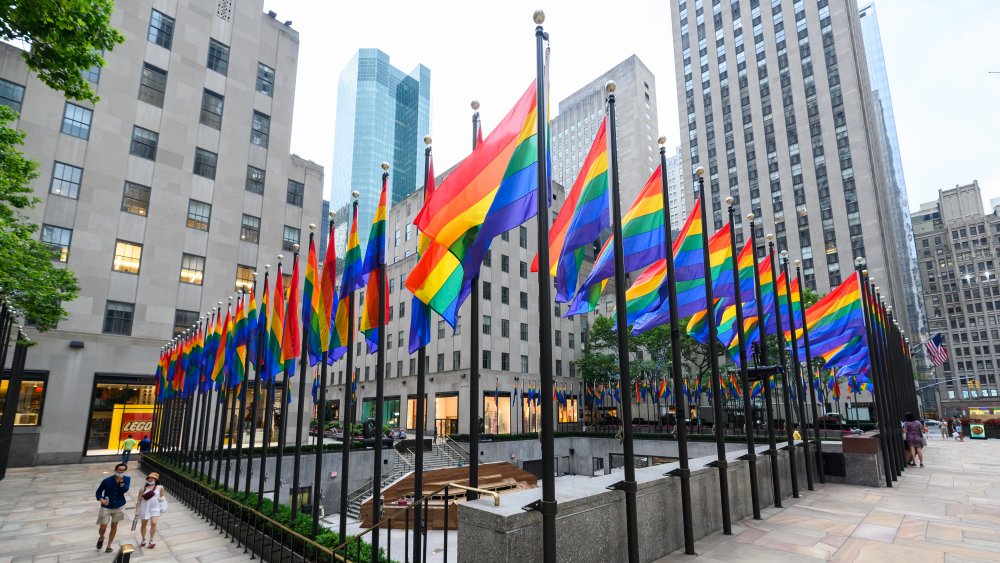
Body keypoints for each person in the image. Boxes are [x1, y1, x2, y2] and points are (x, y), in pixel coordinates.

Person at [95, 463, 131, 553]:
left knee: (114, 525)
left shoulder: (127, 479)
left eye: (123, 470)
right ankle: (101, 537)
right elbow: (98, 492)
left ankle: (109, 546)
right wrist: (101, 499)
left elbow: (124, 490)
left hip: (119, 506)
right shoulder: (106, 480)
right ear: (115, 470)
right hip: (106, 506)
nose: (121, 472)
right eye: (119, 470)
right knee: (103, 526)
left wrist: (121, 482)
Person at [135, 471, 165, 548]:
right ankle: (143, 539)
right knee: (144, 524)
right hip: (145, 508)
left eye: (152, 478)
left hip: (155, 507)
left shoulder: (160, 487)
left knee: (154, 523)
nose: (150, 479)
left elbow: (162, 496)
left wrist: (161, 500)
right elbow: (138, 500)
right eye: (149, 478)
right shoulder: (143, 489)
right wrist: (137, 511)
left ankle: (151, 540)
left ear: (156, 479)